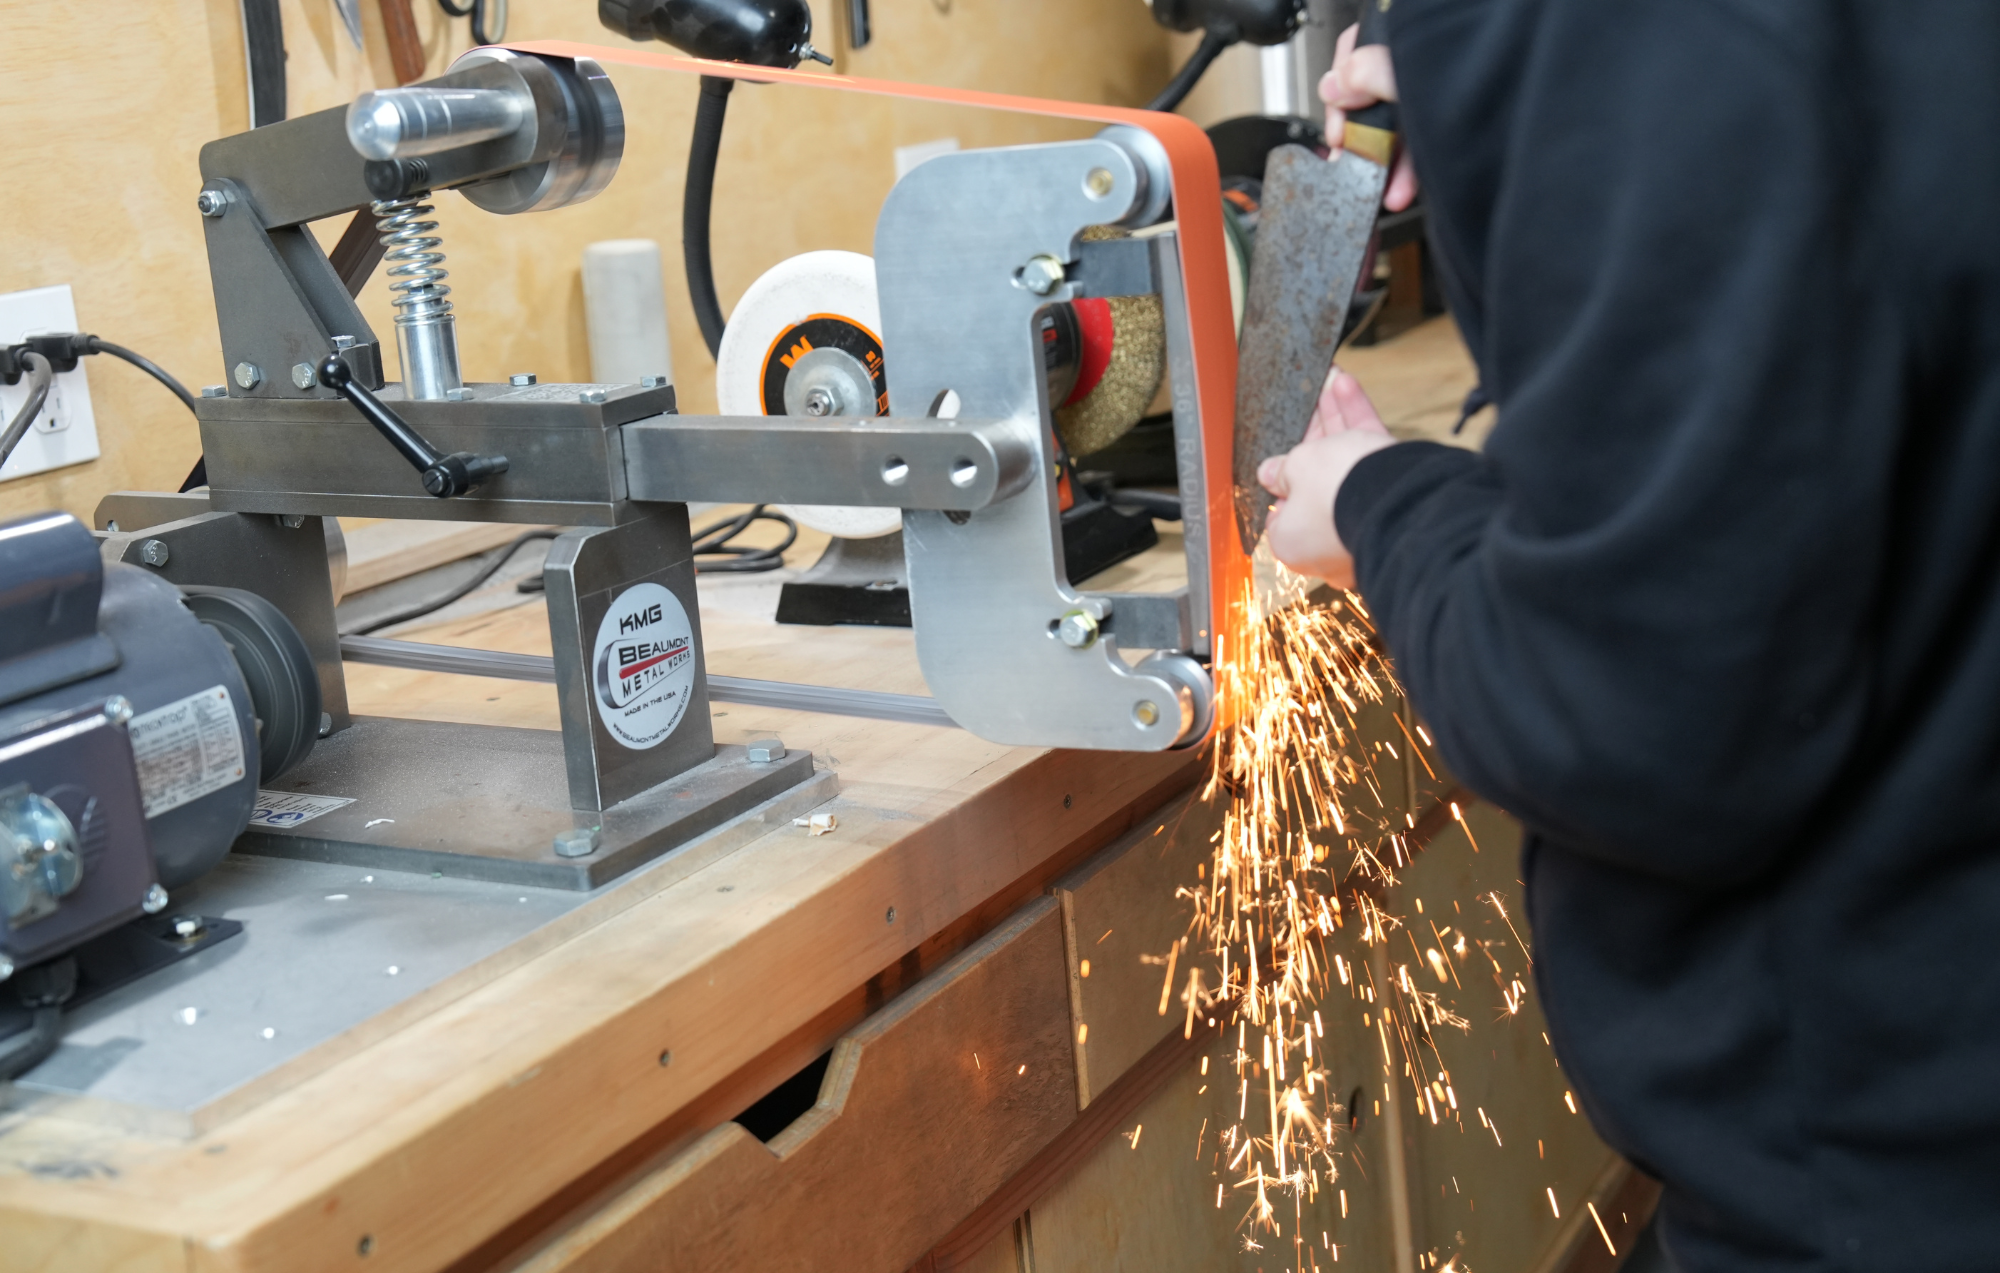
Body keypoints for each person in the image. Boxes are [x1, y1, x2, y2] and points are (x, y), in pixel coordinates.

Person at [1256, 6, 2000, 1270]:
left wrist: (1382, 509)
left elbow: (1624, 715)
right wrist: (1478, 78)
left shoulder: (1656, 36)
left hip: (1881, 1179)